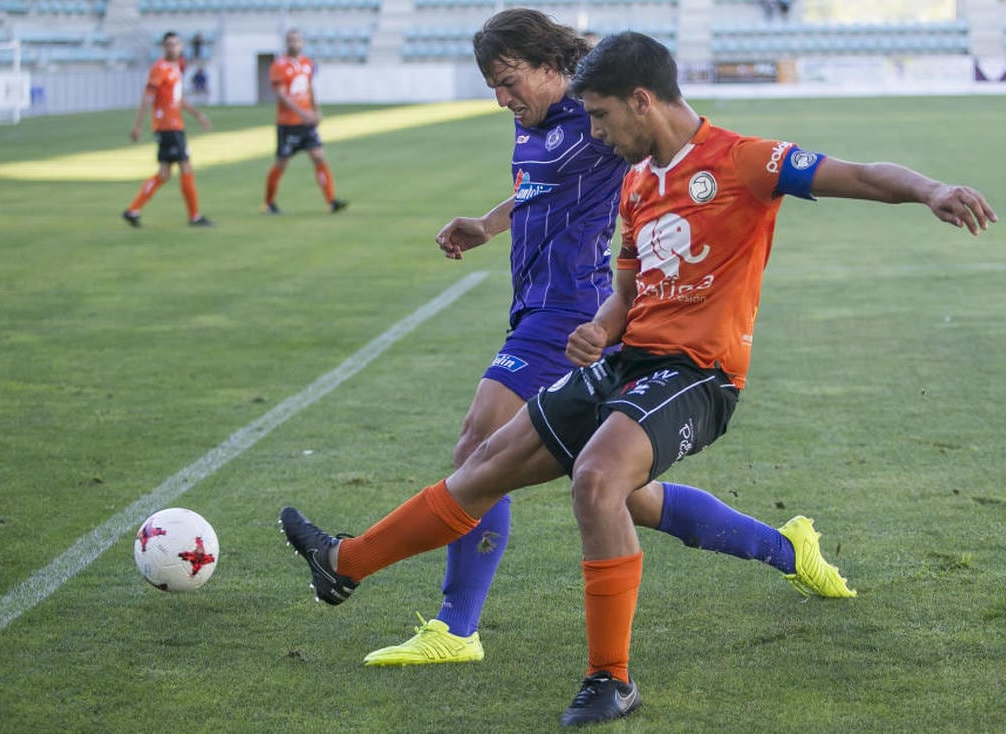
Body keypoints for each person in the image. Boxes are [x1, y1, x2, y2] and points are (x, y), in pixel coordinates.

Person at [280, 29, 996, 727]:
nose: (595, 133)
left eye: (600, 116)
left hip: (700, 374)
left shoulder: (745, 161)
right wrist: (601, 328)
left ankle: (610, 681)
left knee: (597, 478)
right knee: (485, 464)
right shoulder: (639, 188)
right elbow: (628, 292)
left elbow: (862, 175)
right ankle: (345, 562)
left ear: (642, 101)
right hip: (628, 361)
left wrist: (931, 189)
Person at [359, 8, 853, 671]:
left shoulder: (598, 121)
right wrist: (488, 222)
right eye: (494, 88)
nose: (503, 98)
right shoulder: (531, 118)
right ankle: (787, 549)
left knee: (481, 447)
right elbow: (542, 187)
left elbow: (668, 132)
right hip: (536, 302)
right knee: (626, 493)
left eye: (510, 81)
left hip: (573, 312)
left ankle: (456, 623)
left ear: (548, 67)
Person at [123, 31, 214, 228]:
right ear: (163, 48)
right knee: (185, 166)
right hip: (168, 126)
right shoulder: (160, 69)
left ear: (180, 47)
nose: (173, 48)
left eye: (176, 44)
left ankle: (133, 209)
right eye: (169, 45)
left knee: (164, 173)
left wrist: (198, 115)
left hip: (175, 125)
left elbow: (178, 99)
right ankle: (195, 216)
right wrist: (138, 125)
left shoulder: (176, 67)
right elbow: (148, 97)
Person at [263, 29, 348, 215]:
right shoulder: (279, 65)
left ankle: (331, 201)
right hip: (288, 124)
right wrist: (302, 113)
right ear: (287, 43)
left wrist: (316, 110)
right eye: (291, 40)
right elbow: (281, 96)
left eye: (297, 40)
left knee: (319, 156)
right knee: (281, 163)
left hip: (306, 122)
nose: (294, 44)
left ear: (302, 43)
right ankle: (269, 202)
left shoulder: (307, 63)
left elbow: (309, 88)